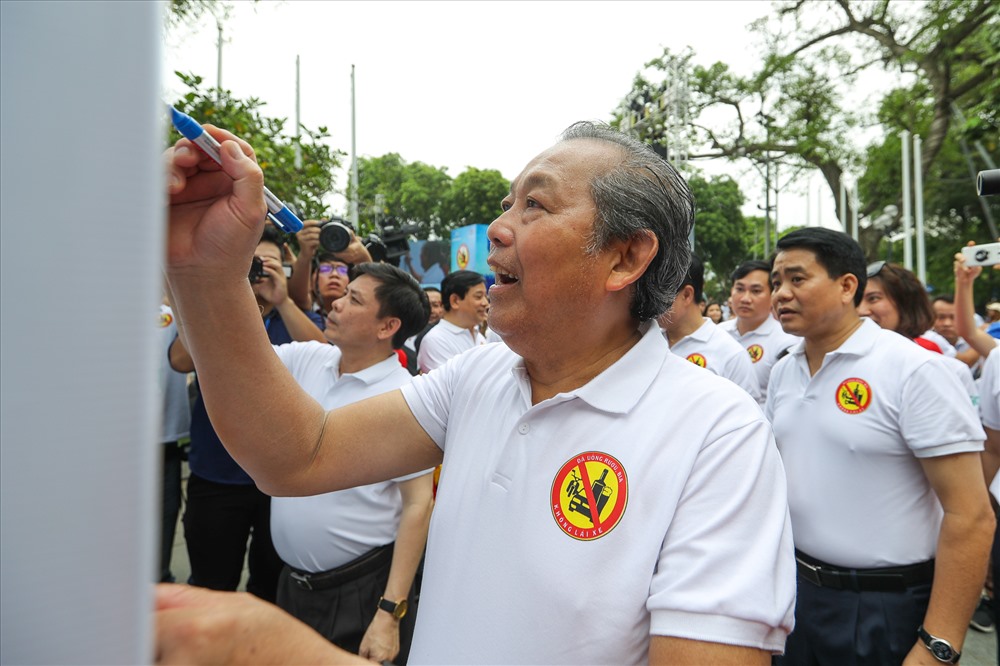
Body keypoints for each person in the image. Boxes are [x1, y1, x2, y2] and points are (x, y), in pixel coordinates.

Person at [159, 120, 796, 664]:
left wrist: (290, 654)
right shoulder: (481, 376)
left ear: (626, 258)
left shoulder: (719, 434)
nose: (496, 227)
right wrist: (204, 271)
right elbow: (299, 453)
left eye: (535, 206)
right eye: (507, 203)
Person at [767, 228, 993, 666]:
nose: (781, 294)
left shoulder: (914, 370)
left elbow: (971, 516)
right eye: (777, 282)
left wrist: (938, 645)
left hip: (884, 607)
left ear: (847, 286)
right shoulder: (784, 371)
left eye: (797, 279)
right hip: (796, 596)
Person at [270, 262, 433, 664]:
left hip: (358, 591)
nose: (337, 304)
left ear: (387, 326)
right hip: (291, 584)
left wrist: (389, 611)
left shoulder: (405, 397)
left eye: (354, 300)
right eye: (344, 294)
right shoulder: (310, 359)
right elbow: (236, 354)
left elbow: (418, 504)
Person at [168, 225, 327, 603]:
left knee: (269, 587)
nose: (259, 271)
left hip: (280, 481)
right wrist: (227, 297)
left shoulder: (297, 319)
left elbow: (328, 357)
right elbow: (179, 360)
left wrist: (282, 301)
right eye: (251, 263)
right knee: (210, 585)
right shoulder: (214, 313)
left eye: (268, 264)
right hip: (216, 474)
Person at [857, 261, 979, 406]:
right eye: (856, 300)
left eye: (873, 298)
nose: (861, 310)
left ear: (906, 303)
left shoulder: (945, 368)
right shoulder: (837, 363)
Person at [657, 254, 761, 401]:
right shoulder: (647, 341)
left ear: (686, 295)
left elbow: (748, 410)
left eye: (658, 295)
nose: (650, 304)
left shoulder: (731, 355)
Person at [717, 260, 799, 403]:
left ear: (773, 295)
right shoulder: (718, 333)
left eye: (756, 291)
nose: (745, 299)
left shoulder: (786, 341)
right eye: (739, 289)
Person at [157, 298, 191, 583]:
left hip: (163, 440)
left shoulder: (169, 312)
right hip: (114, 440)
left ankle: (160, 574)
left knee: (164, 514)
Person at [415, 270, 488, 373]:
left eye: (485, 296)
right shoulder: (436, 340)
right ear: (455, 301)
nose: (485, 303)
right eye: (478, 297)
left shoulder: (478, 336)